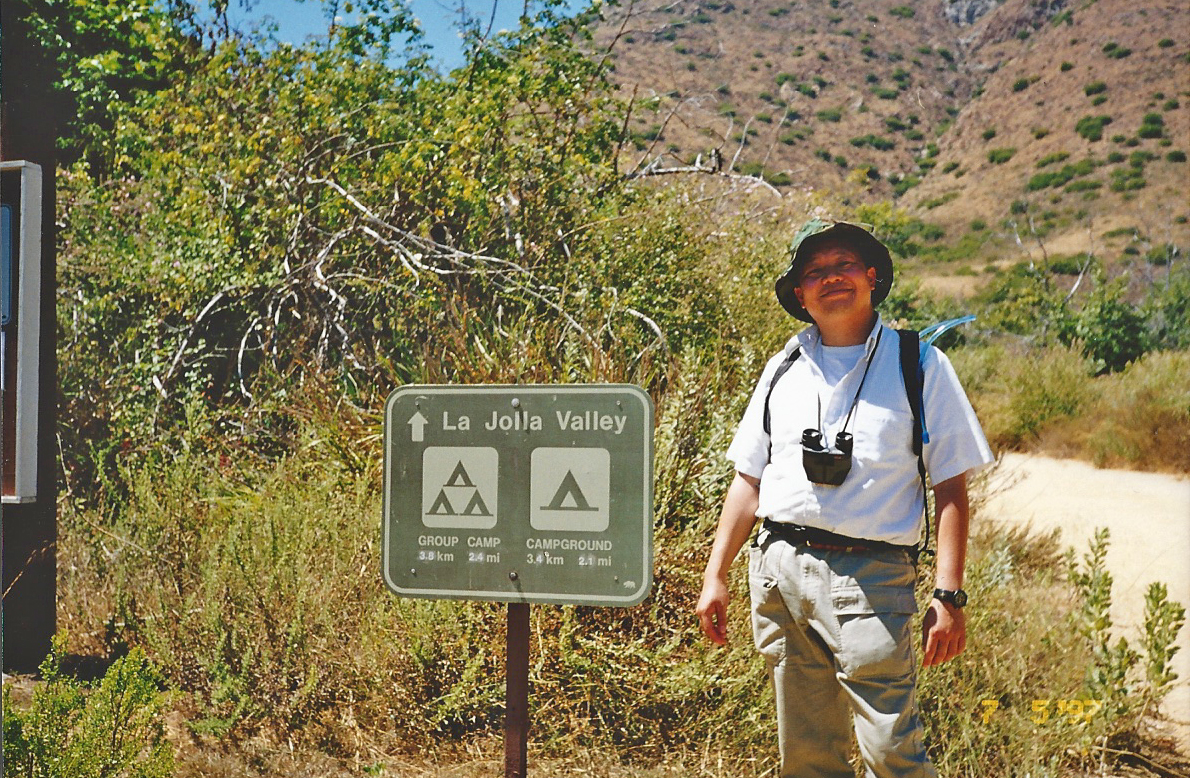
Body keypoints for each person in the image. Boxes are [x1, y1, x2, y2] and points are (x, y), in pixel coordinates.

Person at [694, 219, 994, 777]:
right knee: (807, 755)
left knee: (892, 751)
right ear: (800, 294)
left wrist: (949, 596)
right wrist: (717, 573)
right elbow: (749, 479)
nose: (831, 279)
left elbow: (951, 485)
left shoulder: (919, 364)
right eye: (815, 272)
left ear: (872, 277)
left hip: (873, 580)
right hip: (779, 572)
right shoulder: (784, 365)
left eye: (844, 265)